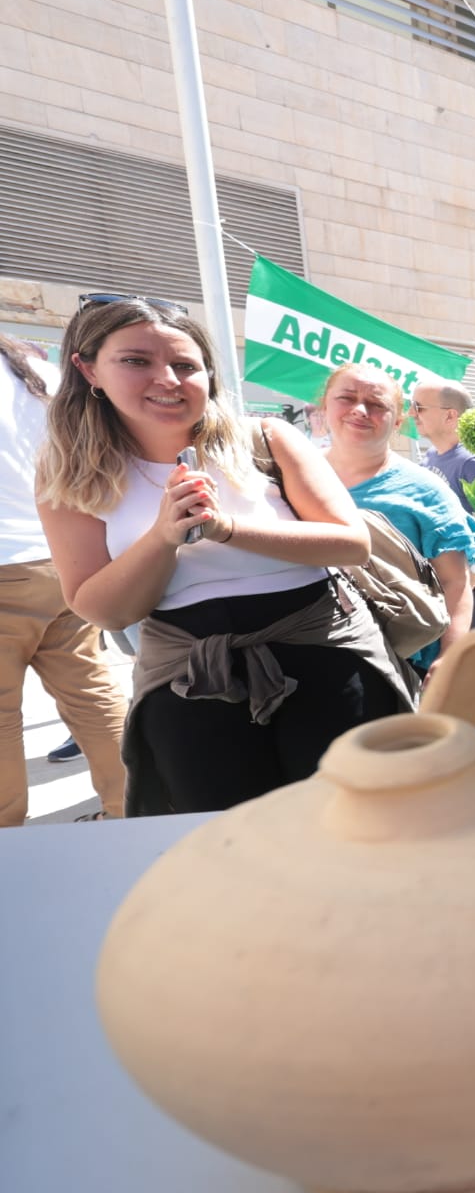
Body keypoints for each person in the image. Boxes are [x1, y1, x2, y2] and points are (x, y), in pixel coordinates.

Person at [36, 296, 409, 816]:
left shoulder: (267, 439)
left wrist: (226, 528)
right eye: (136, 361)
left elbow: (351, 543)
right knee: (224, 837)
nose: (167, 379)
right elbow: (104, 609)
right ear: (88, 368)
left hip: (324, 653)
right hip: (190, 678)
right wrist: (164, 535)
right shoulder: (71, 477)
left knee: (353, 823)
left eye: (185, 366)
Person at [2, 333, 126, 823]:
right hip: (60, 559)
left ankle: (8, 839)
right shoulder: (43, 379)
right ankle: (131, 809)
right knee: (92, 694)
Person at [318, 365, 475, 675]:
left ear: (398, 420)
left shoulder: (427, 491)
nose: (360, 410)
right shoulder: (286, 475)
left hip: (397, 664)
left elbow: (456, 581)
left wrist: (448, 658)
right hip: (301, 655)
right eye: (346, 397)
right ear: (324, 406)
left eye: (377, 404)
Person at [409, 379, 475, 631]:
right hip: (447, 584)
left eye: (418, 407)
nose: (411, 413)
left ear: (450, 416)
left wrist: (472, 576)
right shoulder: (430, 457)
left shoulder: (474, 463)